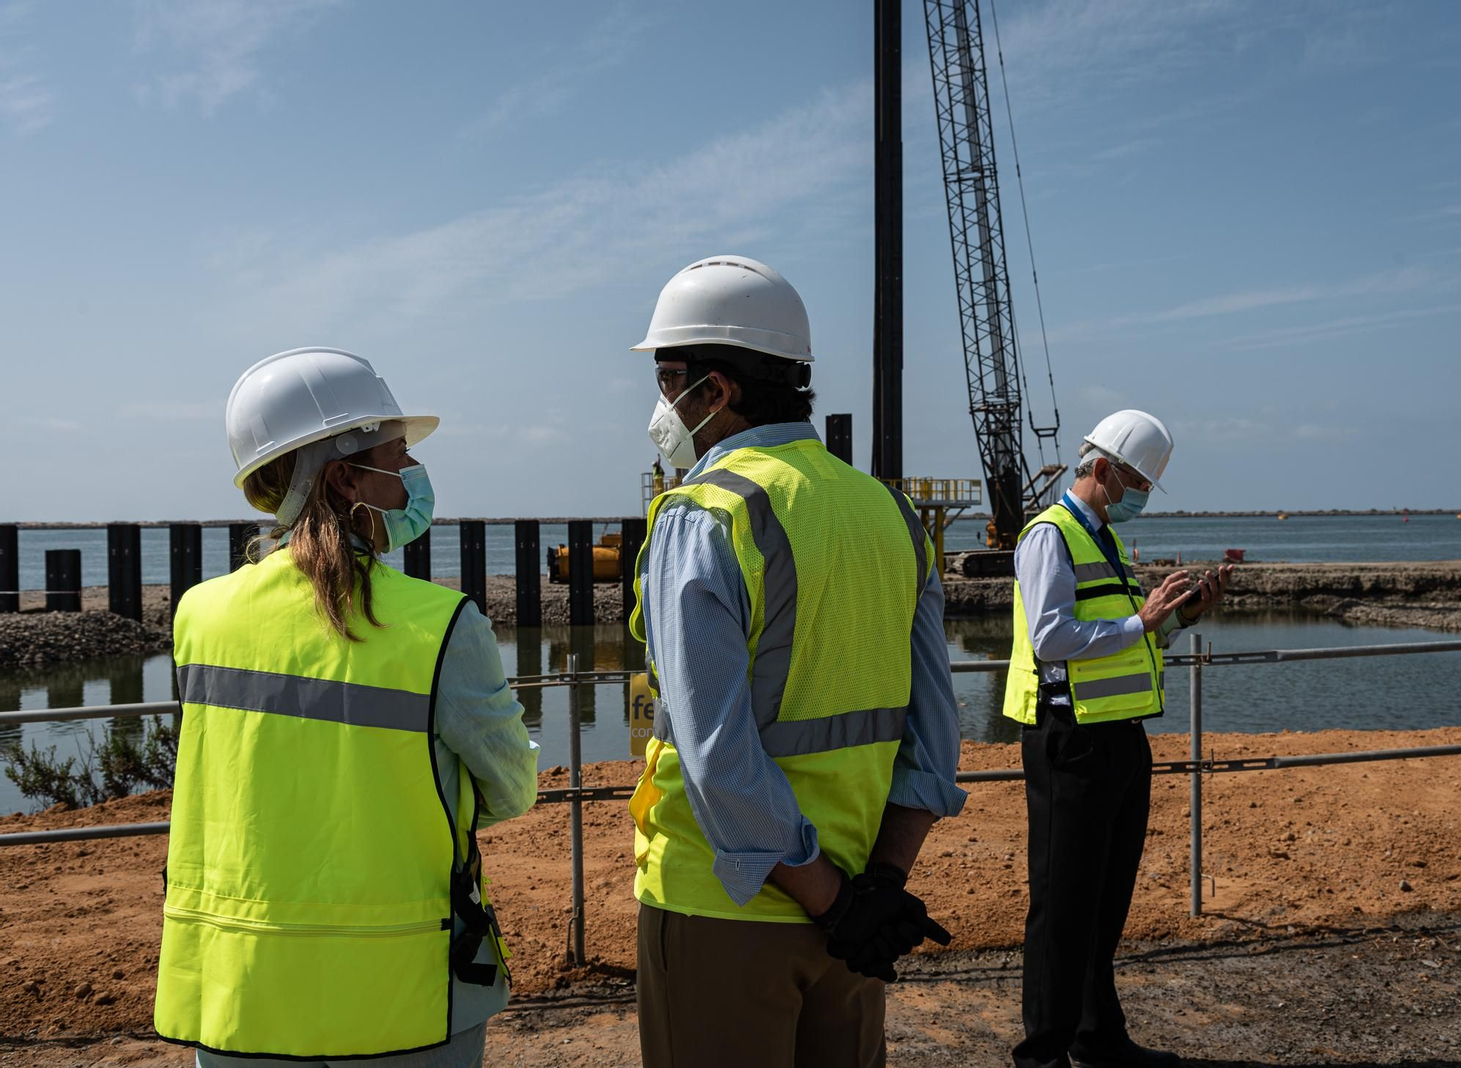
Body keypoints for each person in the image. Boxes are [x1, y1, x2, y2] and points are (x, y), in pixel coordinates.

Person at [153, 348, 540, 1066]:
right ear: (343, 476)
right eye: (398, 457)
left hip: (240, 992)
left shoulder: (199, 617)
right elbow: (512, 790)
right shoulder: (441, 626)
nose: (412, 479)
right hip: (407, 993)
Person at [626, 256, 967, 1068]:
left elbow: (716, 757)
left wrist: (830, 898)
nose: (661, 403)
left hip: (724, 909)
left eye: (668, 378)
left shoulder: (707, 514)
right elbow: (936, 734)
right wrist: (875, 890)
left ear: (719, 390)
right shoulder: (887, 510)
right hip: (855, 913)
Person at [1004, 411, 1232, 1068]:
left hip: (1118, 743)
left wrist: (1177, 620)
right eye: (1136, 482)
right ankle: (1043, 1054)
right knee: (1062, 907)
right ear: (1101, 470)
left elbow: (1128, 642)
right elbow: (1052, 638)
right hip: (1070, 743)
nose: (1140, 498)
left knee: (1103, 905)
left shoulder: (1101, 538)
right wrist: (1140, 621)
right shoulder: (1051, 535)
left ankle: (1096, 1037)